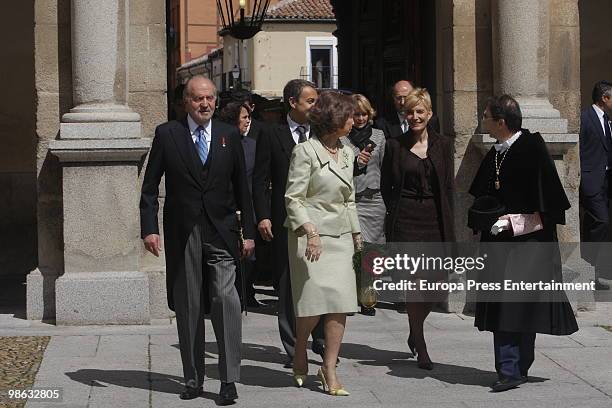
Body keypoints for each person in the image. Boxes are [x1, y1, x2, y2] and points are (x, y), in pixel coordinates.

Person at [140, 76, 255, 404]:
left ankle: (229, 380)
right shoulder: (167, 134)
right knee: (189, 304)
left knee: (225, 299)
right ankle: (193, 379)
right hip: (183, 231)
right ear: (185, 102)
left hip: (221, 229)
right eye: (197, 99)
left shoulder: (228, 135)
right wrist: (150, 228)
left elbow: (241, 189)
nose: (205, 104)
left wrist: (247, 231)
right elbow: (149, 187)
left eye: (210, 98)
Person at [469, 94, 578, 392]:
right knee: (503, 306)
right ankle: (509, 368)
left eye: (487, 116)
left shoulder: (532, 149)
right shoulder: (497, 151)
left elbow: (549, 209)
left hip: (529, 246)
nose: (484, 121)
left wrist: (512, 222)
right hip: (500, 246)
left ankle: (519, 367)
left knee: (521, 307)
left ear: (501, 122)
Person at [285, 90, 361, 396]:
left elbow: (350, 199)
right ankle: (300, 348)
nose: (355, 121)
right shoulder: (305, 152)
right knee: (314, 303)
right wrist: (311, 232)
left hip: (341, 237)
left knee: (340, 304)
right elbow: (293, 198)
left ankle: (329, 367)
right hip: (310, 236)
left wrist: (357, 237)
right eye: (350, 115)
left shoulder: (348, 152)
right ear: (334, 117)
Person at [252, 79, 325, 368]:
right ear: (292, 103)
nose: (315, 106)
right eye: (310, 101)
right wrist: (263, 215)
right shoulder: (271, 134)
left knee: (318, 280)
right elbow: (259, 179)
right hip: (284, 219)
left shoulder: (321, 132)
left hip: (319, 219)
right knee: (287, 282)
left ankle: (320, 338)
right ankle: (294, 346)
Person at [381, 88, 455, 370]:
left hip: (435, 220)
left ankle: (414, 328)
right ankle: (421, 345)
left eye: (419, 112)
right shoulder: (394, 146)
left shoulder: (443, 145)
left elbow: (448, 187)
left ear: (430, 114)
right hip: (407, 222)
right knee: (415, 285)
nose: (414, 117)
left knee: (436, 286)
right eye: (409, 112)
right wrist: (396, 216)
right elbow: (387, 186)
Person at [340, 94, 386, 316]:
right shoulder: (342, 138)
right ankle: (349, 296)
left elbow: (385, 168)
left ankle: (369, 299)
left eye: (363, 114)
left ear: (370, 114)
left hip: (374, 199)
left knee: (372, 250)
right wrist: (355, 165)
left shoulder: (379, 135)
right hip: (350, 200)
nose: (360, 118)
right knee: (352, 250)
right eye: (355, 114)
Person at [218, 101, 263, 307]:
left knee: (250, 257)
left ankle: (247, 292)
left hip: (249, 208)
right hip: (225, 207)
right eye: (244, 117)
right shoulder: (220, 142)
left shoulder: (253, 145)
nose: (248, 121)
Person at [579, 80, 612, 290]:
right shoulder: (584, 117)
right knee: (601, 221)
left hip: (606, 184)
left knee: (595, 225)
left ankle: (592, 273)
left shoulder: (608, 121)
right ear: (605, 98)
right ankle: (587, 268)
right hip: (591, 182)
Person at [375, 80, 441, 140]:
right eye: (398, 98)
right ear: (393, 98)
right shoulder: (382, 124)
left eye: (406, 97)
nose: (402, 102)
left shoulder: (431, 120)